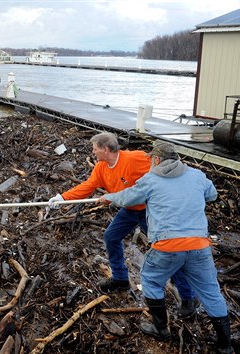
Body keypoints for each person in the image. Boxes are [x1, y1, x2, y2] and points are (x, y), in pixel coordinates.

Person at [98, 141, 232, 353]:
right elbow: (212, 195)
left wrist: (108, 198)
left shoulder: (150, 180)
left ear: (157, 160)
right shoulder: (197, 175)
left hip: (168, 245)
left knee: (151, 279)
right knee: (211, 291)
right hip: (199, 245)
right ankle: (225, 345)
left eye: (151, 159)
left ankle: (161, 329)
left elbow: (127, 197)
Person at [49, 132, 195, 317]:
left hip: (150, 210)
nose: (93, 153)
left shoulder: (135, 158)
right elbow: (88, 185)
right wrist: (62, 197)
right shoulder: (101, 167)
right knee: (111, 236)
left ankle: (188, 297)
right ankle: (120, 278)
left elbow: (165, 166)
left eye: (95, 149)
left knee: (167, 250)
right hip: (129, 209)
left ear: (106, 149)